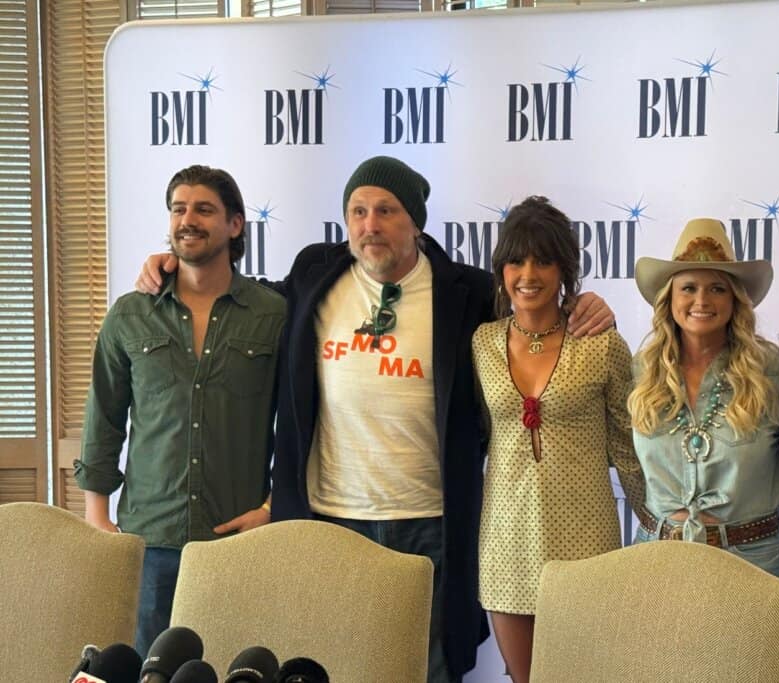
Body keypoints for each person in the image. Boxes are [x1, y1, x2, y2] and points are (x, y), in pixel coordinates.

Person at [135, 155, 614, 682]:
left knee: (425, 671)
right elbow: (239, 297)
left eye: (385, 210)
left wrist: (585, 305)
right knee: (326, 666)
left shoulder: (469, 294)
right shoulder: (313, 274)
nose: (370, 225)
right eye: (358, 211)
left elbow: (533, 314)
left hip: (428, 525)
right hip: (330, 520)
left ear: (416, 222)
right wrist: (180, 266)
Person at [76, 165, 285, 656]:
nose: (188, 219)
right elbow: (103, 416)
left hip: (239, 536)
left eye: (203, 209)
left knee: (240, 662)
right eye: (178, 208)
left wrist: (274, 507)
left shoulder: (274, 314)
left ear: (235, 225)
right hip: (151, 537)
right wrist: (96, 515)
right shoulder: (130, 313)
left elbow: (301, 422)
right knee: (153, 664)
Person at [472, 197, 645, 683]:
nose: (529, 273)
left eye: (544, 260)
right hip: (506, 541)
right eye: (517, 260)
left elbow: (628, 446)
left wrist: (655, 522)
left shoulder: (602, 343)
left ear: (565, 269)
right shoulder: (481, 342)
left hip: (585, 541)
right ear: (501, 268)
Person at [627, 217, 779, 577]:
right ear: (669, 298)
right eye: (688, 288)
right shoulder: (641, 371)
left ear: (735, 300)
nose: (701, 300)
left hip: (753, 562)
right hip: (656, 561)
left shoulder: (772, 371)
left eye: (716, 288)